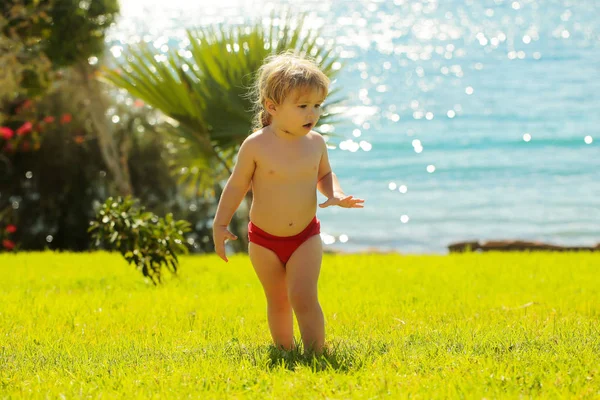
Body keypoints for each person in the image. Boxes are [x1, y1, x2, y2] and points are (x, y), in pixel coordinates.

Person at [212, 52, 364, 355]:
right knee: (278, 300)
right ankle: (284, 351)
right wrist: (220, 224)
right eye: (303, 106)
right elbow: (237, 185)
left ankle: (316, 353)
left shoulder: (315, 143)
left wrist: (334, 193)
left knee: (304, 297)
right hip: (264, 240)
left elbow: (325, 174)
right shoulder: (256, 145)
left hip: (304, 237)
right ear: (272, 107)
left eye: (317, 105)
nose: (313, 113)